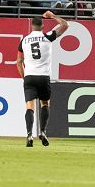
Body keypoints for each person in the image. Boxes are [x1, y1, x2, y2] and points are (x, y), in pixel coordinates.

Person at [16, 11, 69, 147]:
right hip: (44, 77)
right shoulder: (47, 37)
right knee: (45, 104)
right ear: (43, 26)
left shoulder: (24, 41)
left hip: (29, 77)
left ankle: (29, 134)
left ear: (31, 27)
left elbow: (18, 61)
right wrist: (53, 16)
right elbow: (65, 25)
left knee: (29, 106)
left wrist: (24, 77)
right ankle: (43, 131)